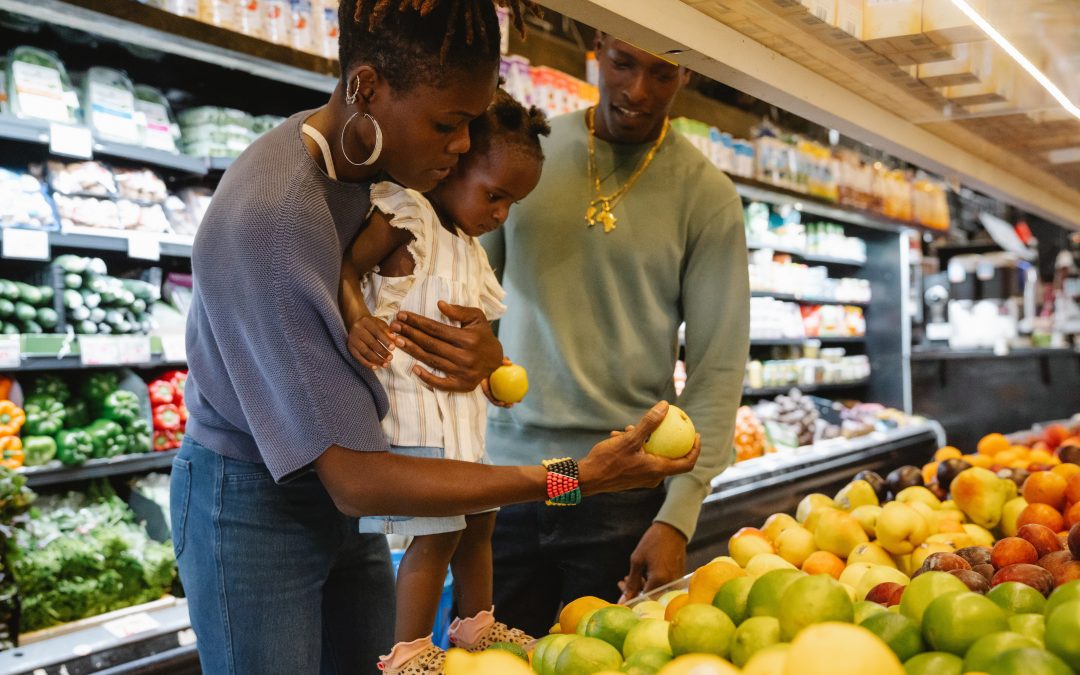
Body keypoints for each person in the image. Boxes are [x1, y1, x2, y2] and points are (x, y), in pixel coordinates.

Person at [172, 1, 699, 672]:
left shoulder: (389, 163)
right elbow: (358, 481)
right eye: (449, 125)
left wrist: (484, 358)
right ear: (367, 88)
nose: (460, 149)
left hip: (345, 490)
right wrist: (574, 480)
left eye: (471, 126)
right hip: (253, 505)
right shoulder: (277, 220)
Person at [483, 33, 750, 635]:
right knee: (485, 659)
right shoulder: (532, 152)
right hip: (512, 480)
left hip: (621, 491)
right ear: (597, 49)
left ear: (688, 76)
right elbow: (473, 299)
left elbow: (717, 369)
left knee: (603, 662)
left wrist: (678, 516)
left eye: (662, 74)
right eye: (623, 64)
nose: (636, 91)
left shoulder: (707, 196)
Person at [339, 89, 549, 673]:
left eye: (512, 204)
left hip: (462, 424)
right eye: (495, 195)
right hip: (414, 413)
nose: (500, 214)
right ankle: (408, 653)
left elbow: (476, 344)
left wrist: (493, 370)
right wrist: (359, 320)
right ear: (453, 162)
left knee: (482, 521)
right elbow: (345, 267)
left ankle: (476, 625)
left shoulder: (472, 253)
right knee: (435, 536)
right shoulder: (409, 215)